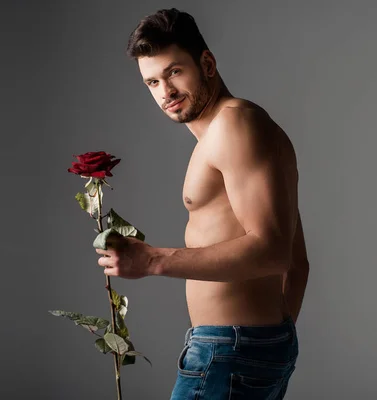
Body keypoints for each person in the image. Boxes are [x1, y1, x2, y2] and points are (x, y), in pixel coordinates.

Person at [94, 7, 310, 399]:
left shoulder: (235, 125)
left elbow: (275, 251)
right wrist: (270, 340)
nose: (166, 92)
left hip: (228, 351)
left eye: (175, 72)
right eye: (153, 82)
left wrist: (153, 260)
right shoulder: (231, 130)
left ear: (207, 63)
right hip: (243, 347)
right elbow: (298, 259)